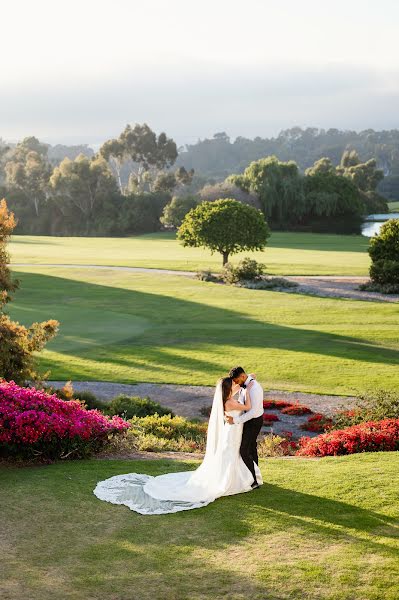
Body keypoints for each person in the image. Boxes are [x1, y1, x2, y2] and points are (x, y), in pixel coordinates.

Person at [93, 375, 263, 515]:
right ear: (228, 388)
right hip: (232, 432)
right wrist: (248, 389)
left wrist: (242, 389)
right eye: (233, 384)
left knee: (232, 455)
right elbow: (248, 406)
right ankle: (234, 480)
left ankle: (241, 478)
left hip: (233, 431)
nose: (236, 385)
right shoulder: (230, 401)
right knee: (230, 455)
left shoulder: (228, 400)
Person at [225, 366, 264, 489]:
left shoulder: (255, 389)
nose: (235, 384)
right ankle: (255, 477)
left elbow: (252, 412)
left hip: (254, 421)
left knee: (244, 450)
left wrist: (234, 420)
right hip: (246, 420)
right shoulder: (246, 384)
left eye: (236, 381)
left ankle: (253, 480)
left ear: (242, 376)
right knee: (251, 447)